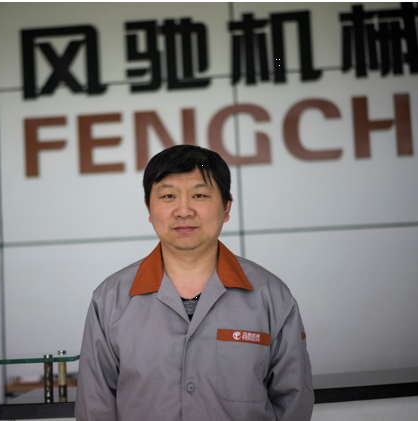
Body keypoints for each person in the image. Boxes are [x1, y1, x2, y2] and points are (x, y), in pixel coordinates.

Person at [75, 145, 314, 421]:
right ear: (149, 208)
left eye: (199, 195)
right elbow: (95, 408)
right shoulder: (109, 300)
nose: (184, 210)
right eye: (168, 196)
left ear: (226, 207)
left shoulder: (271, 296)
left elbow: (294, 402)